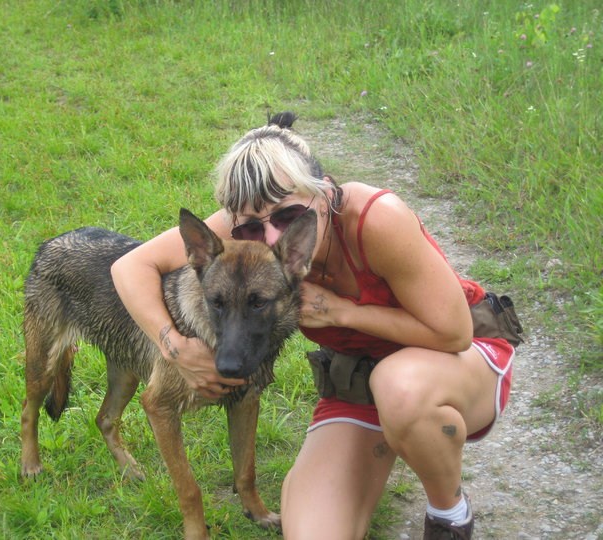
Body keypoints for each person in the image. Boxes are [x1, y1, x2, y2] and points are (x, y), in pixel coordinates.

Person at [111, 112, 518, 539]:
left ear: (321, 194)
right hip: (359, 382)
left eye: (289, 218)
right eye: (250, 226)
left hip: (458, 362)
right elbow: (130, 267)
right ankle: (387, 441)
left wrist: (343, 312)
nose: (269, 237)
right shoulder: (249, 227)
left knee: (400, 385)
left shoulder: (375, 219)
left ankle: (448, 515)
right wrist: (174, 345)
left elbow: (454, 332)